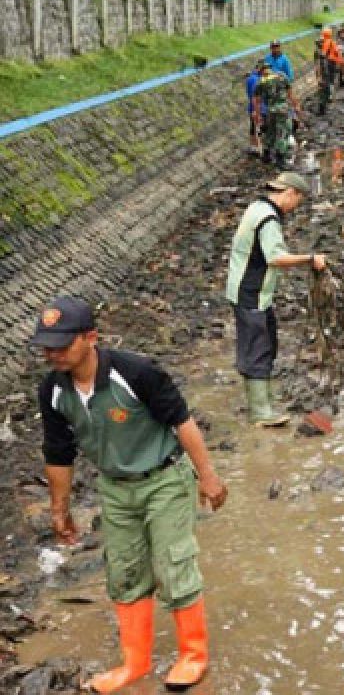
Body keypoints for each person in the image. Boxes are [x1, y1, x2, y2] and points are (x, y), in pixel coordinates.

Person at [33, 295, 229, 693]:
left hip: (164, 480)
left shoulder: (135, 372)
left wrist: (208, 477)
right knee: (124, 571)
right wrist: (60, 510)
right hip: (115, 488)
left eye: (62, 344)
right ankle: (134, 662)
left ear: (90, 338)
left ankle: (193, 655)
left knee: (174, 563)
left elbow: (182, 422)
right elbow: (58, 451)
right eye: (46, 345)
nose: (52, 353)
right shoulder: (54, 390)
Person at [226, 172, 328, 428]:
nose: (296, 207)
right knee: (258, 347)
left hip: (249, 290)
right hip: (251, 292)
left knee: (266, 341)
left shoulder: (257, 207)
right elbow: (275, 258)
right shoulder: (269, 219)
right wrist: (309, 259)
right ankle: (260, 412)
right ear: (289, 193)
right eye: (298, 200)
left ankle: (265, 398)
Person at [252, 65, 302, 168]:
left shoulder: (261, 82)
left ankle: (266, 154)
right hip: (282, 109)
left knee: (271, 131)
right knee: (282, 133)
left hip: (270, 111)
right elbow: (290, 94)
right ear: (270, 68)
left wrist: (258, 115)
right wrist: (296, 106)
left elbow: (257, 100)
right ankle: (280, 158)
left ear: (262, 71)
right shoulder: (282, 76)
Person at [315, 27, 344, 116]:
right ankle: (329, 96)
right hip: (332, 63)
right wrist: (339, 63)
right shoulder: (331, 42)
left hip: (329, 64)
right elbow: (337, 54)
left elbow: (321, 59)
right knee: (330, 80)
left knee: (326, 84)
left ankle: (327, 99)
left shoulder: (326, 44)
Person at [245, 61, 268, 156]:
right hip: (258, 108)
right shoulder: (256, 80)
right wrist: (256, 111)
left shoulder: (252, 78)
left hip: (254, 108)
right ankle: (260, 149)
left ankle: (254, 146)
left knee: (253, 127)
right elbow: (256, 97)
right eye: (265, 69)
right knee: (259, 128)